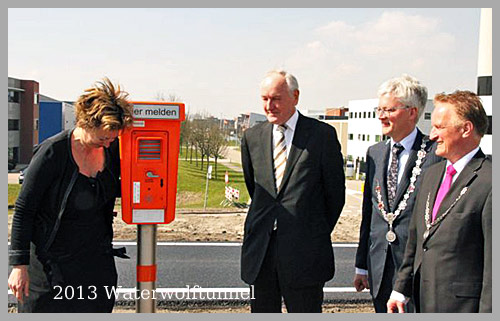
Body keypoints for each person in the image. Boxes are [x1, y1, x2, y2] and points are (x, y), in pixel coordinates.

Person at [8, 78, 134, 312]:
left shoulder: (111, 151)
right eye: (102, 138)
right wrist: (19, 265)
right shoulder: (52, 153)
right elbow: (24, 210)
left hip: (95, 265)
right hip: (50, 268)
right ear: (86, 123)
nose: (107, 145)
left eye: (112, 140)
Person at [240, 70, 345, 313]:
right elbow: (256, 190)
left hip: (305, 255)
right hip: (261, 254)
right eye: (264, 99)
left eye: (275, 98)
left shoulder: (321, 136)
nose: (269, 105)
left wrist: (308, 230)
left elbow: (334, 196)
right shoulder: (252, 137)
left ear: (295, 96)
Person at [387, 90, 491, 313]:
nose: (432, 135)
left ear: (466, 129)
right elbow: (415, 240)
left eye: (439, 127)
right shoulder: (431, 174)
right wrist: (400, 289)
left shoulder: (489, 181)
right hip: (423, 303)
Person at [353, 74, 442, 312]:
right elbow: (368, 213)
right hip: (379, 267)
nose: (381, 115)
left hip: (416, 271)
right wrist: (361, 265)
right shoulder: (375, 153)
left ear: (412, 112)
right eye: (379, 109)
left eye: (389, 109)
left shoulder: (435, 154)